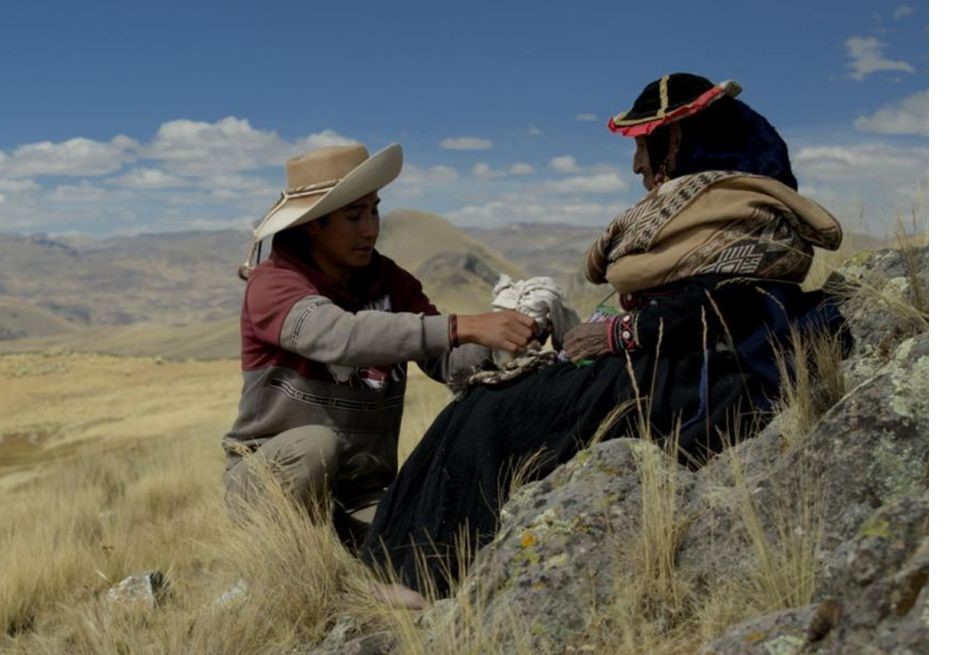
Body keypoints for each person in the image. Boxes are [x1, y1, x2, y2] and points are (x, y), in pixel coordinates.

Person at [359, 73, 848, 597]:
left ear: (678, 141)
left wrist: (620, 334)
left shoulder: (738, 210)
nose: (637, 164)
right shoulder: (712, 205)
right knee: (480, 404)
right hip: (668, 362)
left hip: (698, 380)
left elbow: (724, 308)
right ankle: (396, 568)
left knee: (495, 413)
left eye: (644, 146)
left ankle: (428, 577)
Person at [222, 143, 542, 554]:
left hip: (362, 492)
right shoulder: (273, 284)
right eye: (354, 216)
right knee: (315, 447)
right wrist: (461, 326)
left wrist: (507, 341)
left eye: (374, 211)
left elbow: (447, 360)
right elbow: (339, 336)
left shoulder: (391, 282)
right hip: (269, 479)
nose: (370, 229)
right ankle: (280, 557)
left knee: (429, 554)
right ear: (313, 225)